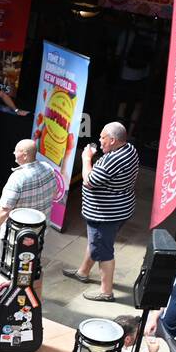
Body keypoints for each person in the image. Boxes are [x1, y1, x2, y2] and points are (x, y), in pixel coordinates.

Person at [62, 123, 141, 302]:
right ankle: (83, 272)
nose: (99, 141)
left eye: (102, 138)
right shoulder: (130, 149)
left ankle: (106, 292)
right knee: (96, 240)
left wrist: (86, 158)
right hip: (120, 208)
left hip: (106, 213)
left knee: (103, 250)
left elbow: (89, 180)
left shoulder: (111, 160)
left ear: (113, 140)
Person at [0, 139, 59, 250]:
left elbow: (4, 210)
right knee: (33, 262)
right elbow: (54, 193)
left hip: (18, 236)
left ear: (24, 155)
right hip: (40, 232)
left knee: (10, 264)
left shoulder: (17, 178)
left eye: (16, 151)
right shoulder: (48, 168)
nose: (14, 153)